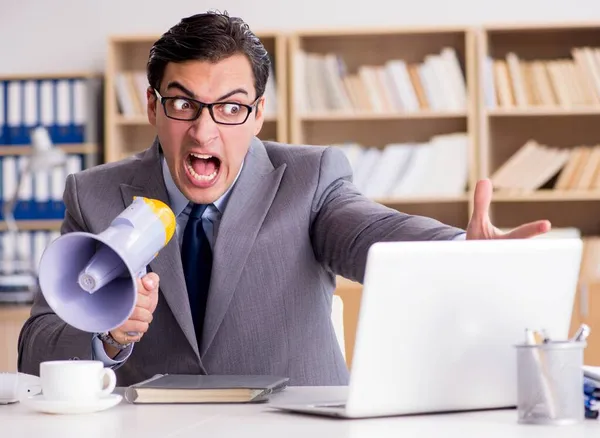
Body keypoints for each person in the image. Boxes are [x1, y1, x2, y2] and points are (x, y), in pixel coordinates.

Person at [17, 11, 551, 387]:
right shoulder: (95, 194)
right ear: (153, 106)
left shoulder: (309, 178)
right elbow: (35, 348)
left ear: (258, 113)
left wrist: (463, 250)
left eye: (230, 107)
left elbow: (372, 232)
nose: (205, 133)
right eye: (184, 104)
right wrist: (106, 336)